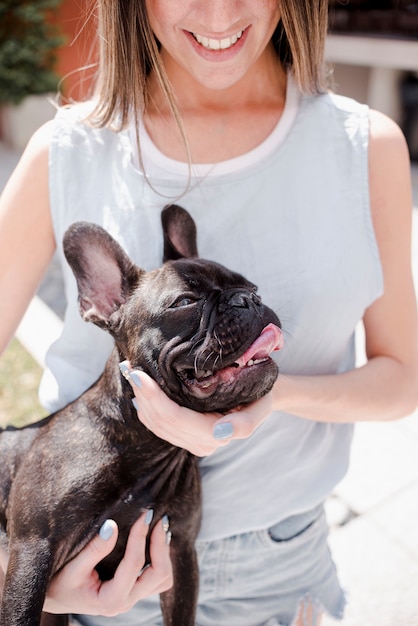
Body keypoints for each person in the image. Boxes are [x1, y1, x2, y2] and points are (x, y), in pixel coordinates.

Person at [0, 0, 417, 624]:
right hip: (89, 559)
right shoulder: (66, 151)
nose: (219, 12)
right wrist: (17, 567)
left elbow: (402, 375)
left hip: (280, 561)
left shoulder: (363, 147)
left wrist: (271, 398)